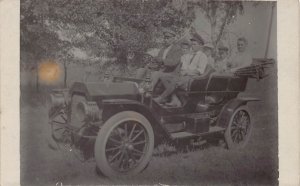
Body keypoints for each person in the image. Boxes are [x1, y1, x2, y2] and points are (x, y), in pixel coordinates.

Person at [154, 33, 208, 104]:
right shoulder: (188, 55)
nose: (192, 46)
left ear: (200, 45)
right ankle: (175, 99)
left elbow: (200, 71)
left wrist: (187, 72)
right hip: (183, 75)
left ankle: (161, 98)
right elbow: (183, 65)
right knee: (163, 77)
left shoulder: (203, 56)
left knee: (175, 81)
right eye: (192, 44)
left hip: (193, 78)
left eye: (194, 44)